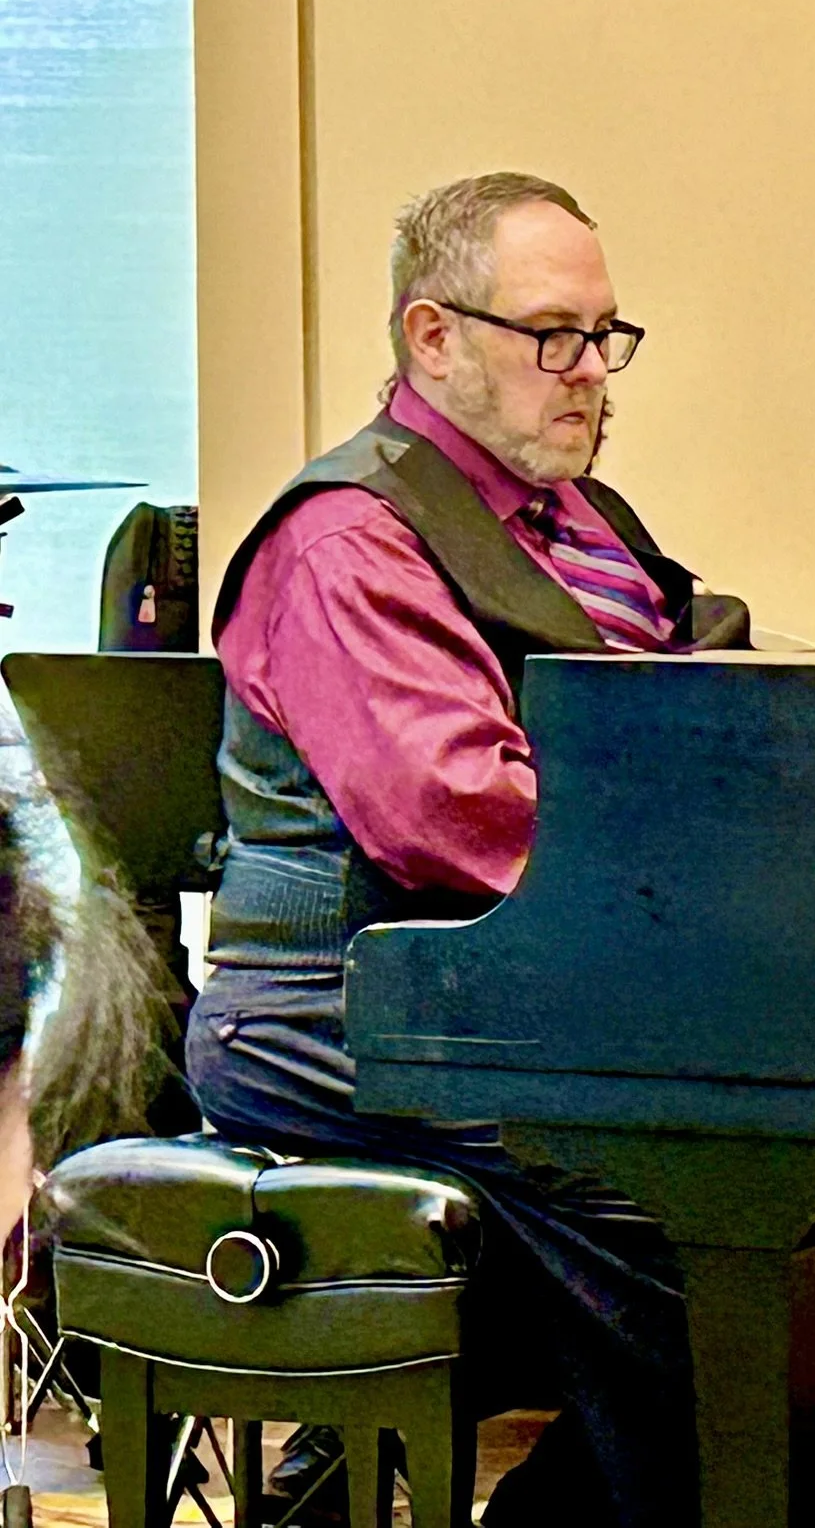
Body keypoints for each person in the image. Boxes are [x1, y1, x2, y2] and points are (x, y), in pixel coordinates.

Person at [184, 172, 745, 1526]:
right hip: (341, 1007)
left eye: (608, 337)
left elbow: (684, 712)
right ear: (431, 338)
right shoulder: (351, 540)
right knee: (683, 1212)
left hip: (518, 999)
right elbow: (459, 817)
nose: (592, 374)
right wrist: (714, 898)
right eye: (551, 335)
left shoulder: (582, 527)